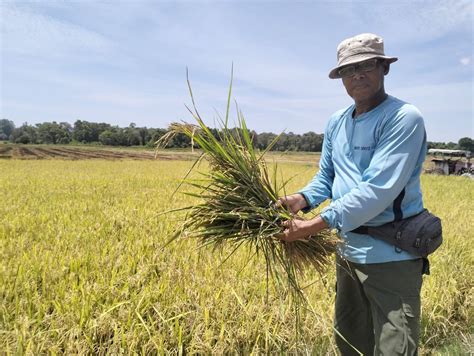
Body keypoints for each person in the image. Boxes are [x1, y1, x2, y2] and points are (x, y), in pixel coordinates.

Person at [278, 33, 427, 355]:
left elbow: (377, 189)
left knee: (394, 348)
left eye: (367, 65)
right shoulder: (336, 122)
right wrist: (301, 200)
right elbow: (326, 177)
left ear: (384, 68)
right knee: (350, 343)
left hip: (392, 254)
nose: (358, 74)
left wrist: (313, 226)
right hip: (347, 251)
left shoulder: (403, 118)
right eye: (349, 69)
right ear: (341, 78)